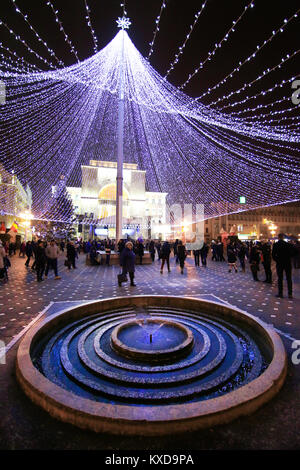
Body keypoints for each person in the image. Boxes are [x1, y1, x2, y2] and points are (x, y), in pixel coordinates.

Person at [272, 233, 295, 298]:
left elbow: (273, 255)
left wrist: (277, 260)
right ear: (283, 237)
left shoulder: (276, 244)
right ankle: (290, 294)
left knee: (280, 278)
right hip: (287, 262)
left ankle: (280, 293)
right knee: (289, 278)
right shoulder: (288, 244)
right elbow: (295, 251)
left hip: (279, 263)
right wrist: (290, 257)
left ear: (278, 237)